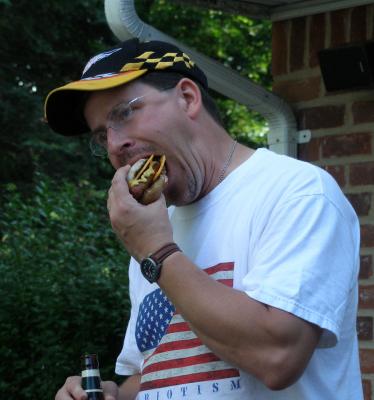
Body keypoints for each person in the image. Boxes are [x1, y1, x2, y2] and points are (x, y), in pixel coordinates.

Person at [45, 38, 363, 400]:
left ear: (187, 98)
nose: (115, 144)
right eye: (102, 135)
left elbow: (279, 357)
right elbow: (160, 372)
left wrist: (158, 252)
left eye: (124, 113)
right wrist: (110, 394)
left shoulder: (297, 192)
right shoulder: (152, 228)